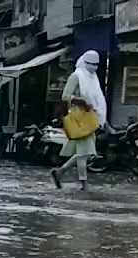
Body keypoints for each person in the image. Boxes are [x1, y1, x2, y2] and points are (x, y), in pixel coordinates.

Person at [52, 50, 106, 192]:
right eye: (91, 64)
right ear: (84, 62)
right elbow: (65, 96)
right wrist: (81, 101)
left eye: (96, 64)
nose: (94, 67)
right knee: (84, 152)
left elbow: (97, 98)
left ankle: (60, 172)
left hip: (90, 119)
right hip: (79, 118)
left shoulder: (93, 78)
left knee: (85, 152)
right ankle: (84, 184)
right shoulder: (76, 76)